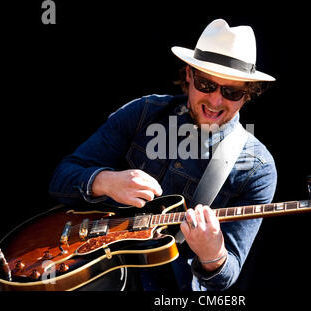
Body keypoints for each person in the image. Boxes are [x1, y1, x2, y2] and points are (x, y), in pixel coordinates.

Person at [49, 18, 277, 291]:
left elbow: (225, 277)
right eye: (206, 84)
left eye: (231, 92)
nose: (215, 101)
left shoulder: (256, 167)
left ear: (248, 94)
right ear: (190, 75)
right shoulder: (143, 112)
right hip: (91, 270)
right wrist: (105, 181)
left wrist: (213, 254)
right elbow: (60, 180)